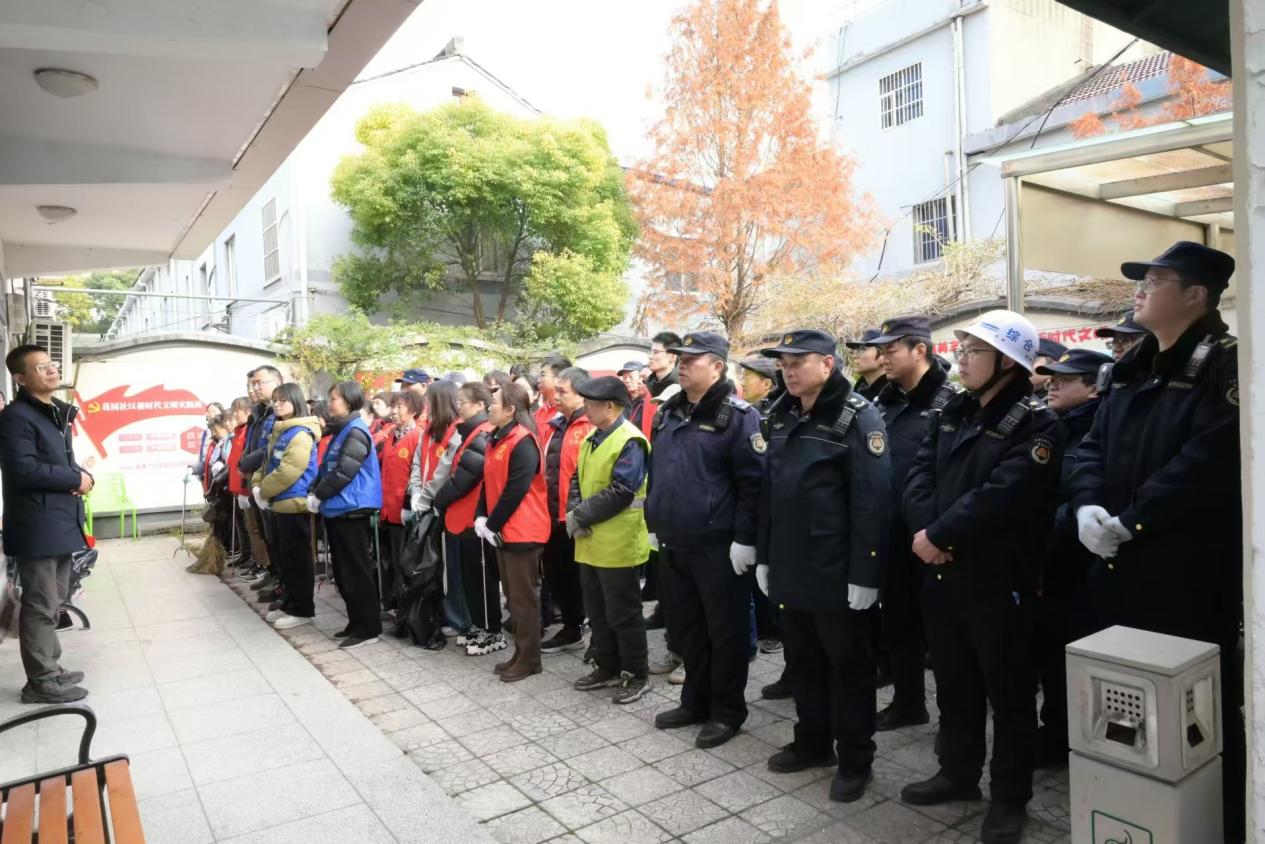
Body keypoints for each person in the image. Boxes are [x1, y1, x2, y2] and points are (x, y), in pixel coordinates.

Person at [1068, 241, 1243, 841]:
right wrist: (1087, 505)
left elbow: (1209, 460)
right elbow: (1090, 445)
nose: (1139, 289)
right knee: (1124, 718)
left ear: (1195, 295)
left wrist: (1131, 521)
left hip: (1185, 576)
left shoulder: (1227, 363)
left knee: (1197, 723)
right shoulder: (1129, 366)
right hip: (1116, 570)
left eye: (1156, 280)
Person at [901, 309, 1063, 844]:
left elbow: (1004, 496)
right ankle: (958, 772)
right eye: (963, 348)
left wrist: (941, 536)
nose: (962, 359)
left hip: (999, 583)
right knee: (954, 683)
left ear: (1007, 362)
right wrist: (930, 532)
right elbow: (920, 471)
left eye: (973, 351)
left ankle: (1010, 798)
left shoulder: (1037, 423)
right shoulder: (954, 409)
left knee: (1010, 695)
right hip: (942, 573)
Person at [755, 329, 890, 803]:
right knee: (803, 662)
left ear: (828, 365)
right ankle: (812, 742)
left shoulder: (858, 417)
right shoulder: (780, 414)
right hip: (791, 566)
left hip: (836, 571)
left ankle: (856, 758)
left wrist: (866, 573)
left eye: (798, 361)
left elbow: (872, 503)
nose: (788, 370)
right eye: (783, 363)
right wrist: (764, 555)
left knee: (849, 668)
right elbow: (769, 493)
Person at [647, 331, 764, 749]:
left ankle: (727, 711)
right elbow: (660, 471)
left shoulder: (738, 416)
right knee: (688, 628)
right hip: (675, 540)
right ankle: (694, 700)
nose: (682, 363)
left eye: (692, 358)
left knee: (726, 631)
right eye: (680, 356)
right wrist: (655, 518)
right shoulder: (670, 412)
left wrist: (744, 539)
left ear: (717, 366)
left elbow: (752, 483)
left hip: (718, 545)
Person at [1029, 346, 1113, 767]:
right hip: (1049, 568)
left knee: (1072, 656)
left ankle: (1072, 737)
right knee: (1049, 656)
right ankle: (1057, 732)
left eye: (1065, 380)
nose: (1052, 385)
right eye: (1051, 379)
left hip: (1078, 569)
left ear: (1094, 388)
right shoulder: (1052, 426)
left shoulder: (1097, 431)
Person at [871, 316, 952, 732]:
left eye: (891, 350)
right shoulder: (884, 402)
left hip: (936, 537)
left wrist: (936, 530)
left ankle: (956, 722)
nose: (883, 357)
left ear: (920, 350)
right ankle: (908, 703)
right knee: (898, 622)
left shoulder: (951, 401)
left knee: (943, 633)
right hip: (891, 531)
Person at [0, 345, 92, 704]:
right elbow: (22, 470)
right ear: (21, 378)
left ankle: (50, 667)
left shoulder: (52, 412)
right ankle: (40, 681)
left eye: (52, 364)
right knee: (40, 604)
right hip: (37, 524)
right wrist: (74, 477)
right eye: (41, 367)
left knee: (54, 601)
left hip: (56, 521)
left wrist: (78, 476)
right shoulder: (16, 418)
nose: (51, 371)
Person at [567, 375, 652, 703]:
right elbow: (577, 477)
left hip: (618, 543)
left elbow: (622, 490)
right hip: (589, 541)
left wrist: (581, 515)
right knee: (597, 610)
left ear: (611, 407)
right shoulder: (592, 436)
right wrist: (575, 510)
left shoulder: (631, 440)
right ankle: (607, 665)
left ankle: (636, 672)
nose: (586, 408)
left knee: (624, 613)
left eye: (591, 403)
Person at [476, 381, 551, 682]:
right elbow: (487, 482)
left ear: (510, 409)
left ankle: (530, 658)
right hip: (504, 529)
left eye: (494, 403)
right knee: (512, 596)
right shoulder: (496, 438)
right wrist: (481, 517)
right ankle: (521, 653)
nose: (489, 407)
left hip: (523, 529)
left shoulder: (523, 441)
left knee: (523, 598)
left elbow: (515, 490)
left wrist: (491, 524)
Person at [307, 382, 384, 649]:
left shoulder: (355, 431)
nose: (330, 403)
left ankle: (368, 627)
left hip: (352, 508)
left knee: (356, 570)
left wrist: (319, 495)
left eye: (335, 398)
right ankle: (356, 620)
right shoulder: (342, 430)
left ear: (350, 401)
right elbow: (328, 468)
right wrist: (314, 489)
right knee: (343, 570)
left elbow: (343, 472)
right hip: (339, 507)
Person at [433, 382, 505, 656]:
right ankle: (477, 624)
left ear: (479, 405)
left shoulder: (483, 434)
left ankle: (492, 630)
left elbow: (463, 478)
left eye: (463, 401)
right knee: (469, 579)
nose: (458, 405)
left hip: (474, 519)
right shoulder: (469, 432)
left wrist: (437, 501)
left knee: (482, 580)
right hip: (460, 518)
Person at [252, 383, 321, 631]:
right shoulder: (281, 431)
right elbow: (267, 463)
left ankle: (302, 609)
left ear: (295, 400)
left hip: (294, 503)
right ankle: (290, 602)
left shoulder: (301, 433)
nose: (277, 404)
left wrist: (264, 490)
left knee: (297, 560)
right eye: (275, 400)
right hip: (279, 503)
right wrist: (256, 484)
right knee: (286, 560)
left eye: (282, 400)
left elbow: (289, 471)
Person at [409, 382, 474, 638]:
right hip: (426, 502)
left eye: (429, 400)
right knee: (433, 563)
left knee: (450, 566)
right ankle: (440, 611)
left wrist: (426, 498)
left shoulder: (455, 431)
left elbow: (444, 472)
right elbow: (418, 463)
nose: (425, 405)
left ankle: (458, 617)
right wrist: (415, 492)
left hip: (444, 504)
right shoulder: (427, 430)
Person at [540, 367, 594, 653]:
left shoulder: (590, 426)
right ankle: (572, 628)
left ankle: (595, 633)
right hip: (551, 516)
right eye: (556, 390)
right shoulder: (555, 424)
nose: (556, 396)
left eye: (563, 391)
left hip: (578, 516)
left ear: (582, 395)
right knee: (557, 575)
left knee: (583, 579)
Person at [379, 391, 423, 611]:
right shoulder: (390, 435)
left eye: (400, 407)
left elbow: (416, 476)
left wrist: (408, 504)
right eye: (393, 406)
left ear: (413, 411)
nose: (394, 412)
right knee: (389, 561)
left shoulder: (418, 436)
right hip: (386, 509)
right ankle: (391, 602)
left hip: (403, 510)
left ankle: (405, 606)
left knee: (403, 561)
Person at [224, 396, 255, 567]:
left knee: (252, 526)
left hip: (246, 486)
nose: (235, 414)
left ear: (248, 411)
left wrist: (244, 487)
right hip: (236, 486)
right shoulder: (238, 432)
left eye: (238, 410)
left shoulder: (248, 431)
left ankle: (255, 558)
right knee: (242, 524)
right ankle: (245, 553)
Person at [844, 328, 888, 401]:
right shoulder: (859, 390)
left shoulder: (891, 397)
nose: (855, 356)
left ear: (883, 355)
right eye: (856, 350)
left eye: (863, 350)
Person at [617, 360, 655, 437]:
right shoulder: (619, 401)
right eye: (624, 377)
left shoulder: (650, 401)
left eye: (631, 377)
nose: (627, 381)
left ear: (641, 378)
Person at [645, 332, 682, 399]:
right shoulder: (647, 385)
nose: (650, 356)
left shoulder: (681, 387)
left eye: (656, 352)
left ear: (672, 357)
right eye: (651, 352)